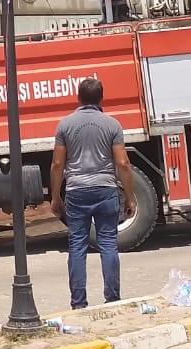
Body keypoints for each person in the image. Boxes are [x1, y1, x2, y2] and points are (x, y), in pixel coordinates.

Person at [50, 78, 136, 309]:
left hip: (76, 190)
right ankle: (112, 299)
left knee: (77, 245)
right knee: (108, 243)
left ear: (78, 97)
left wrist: (56, 196)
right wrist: (129, 196)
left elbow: (58, 163)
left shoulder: (65, 125)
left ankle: (79, 303)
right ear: (102, 97)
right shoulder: (112, 125)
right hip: (106, 189)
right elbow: (123, 163)